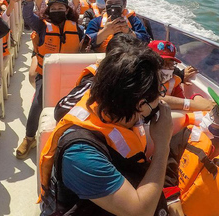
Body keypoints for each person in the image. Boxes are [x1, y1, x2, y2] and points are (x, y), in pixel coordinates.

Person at [39, 44, 172, 216]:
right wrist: (162, 146)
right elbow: (140, 212)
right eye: (160, 92)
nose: (161, 99)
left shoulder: (109, 103)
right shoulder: (81, 154)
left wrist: (188, 104)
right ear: (140, 105)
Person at [18, 0, 83, 159]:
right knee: (38, 101)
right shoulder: (42, 26)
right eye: (53, 7)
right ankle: (29, 138)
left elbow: (88, 43)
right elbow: (28, 17)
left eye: (60, 7)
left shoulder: (76, 28)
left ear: (66, 9)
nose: (56, 10)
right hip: (44, 74)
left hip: (72, 75)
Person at [164, 88, 219, 216]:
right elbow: (165, 166)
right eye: (215, 109)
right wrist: (172, 202)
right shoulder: (186, 135)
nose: (213, 115)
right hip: (166, 206)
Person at [149, 40, 216, 112]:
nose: (167, 68)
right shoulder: (141, 82)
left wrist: (196, 98)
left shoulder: (174, 83)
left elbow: (180, 99)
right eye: (162, 63)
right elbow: (151, 99)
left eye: (171, 64)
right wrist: (193, 104)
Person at [86, 0, 150, 52]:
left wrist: (129, 32)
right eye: (109, 3)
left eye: (117, 3)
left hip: (128, 57)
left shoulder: (134, 21)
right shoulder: (95, 22)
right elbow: (85, 42)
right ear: (105, 4)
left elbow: (146, 40)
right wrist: (105, 32)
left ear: (124, 4)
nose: (113, 6)